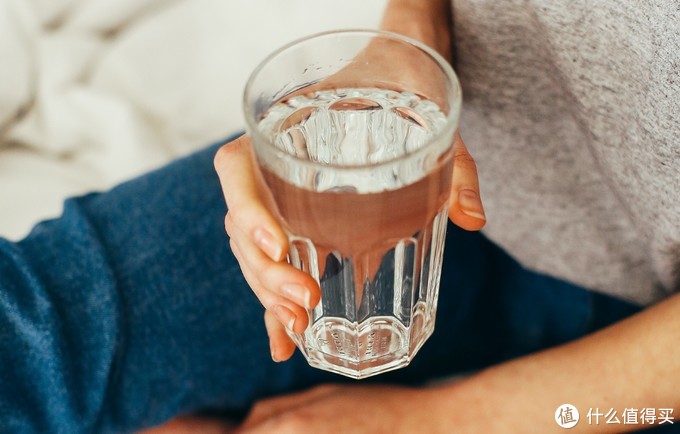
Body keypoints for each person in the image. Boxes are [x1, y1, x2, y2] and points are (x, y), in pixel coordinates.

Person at [0, 0, 677, 433]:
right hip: (440, 169)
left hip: (647, 345)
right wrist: (411, 34)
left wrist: (443, 422)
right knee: (26, 332)